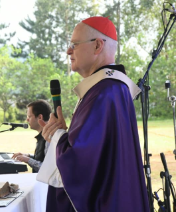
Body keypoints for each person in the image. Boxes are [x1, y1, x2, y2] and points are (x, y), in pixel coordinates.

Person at [38, 16, 150, 211]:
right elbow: (97, 153)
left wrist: (56, 136)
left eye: (74, 44)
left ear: (97, 46)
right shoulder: (110, 88)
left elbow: (80, 162)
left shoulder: (104, 92)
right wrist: (65, 134)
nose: (68, 51)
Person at [12, 100, 52, 173]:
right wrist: (27, 156)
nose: (27, 120)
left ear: (40, 117)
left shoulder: (50, 138)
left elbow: (47, 169)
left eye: (29, 116)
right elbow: (42, 159)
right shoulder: (43, 135)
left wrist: (27, 160)